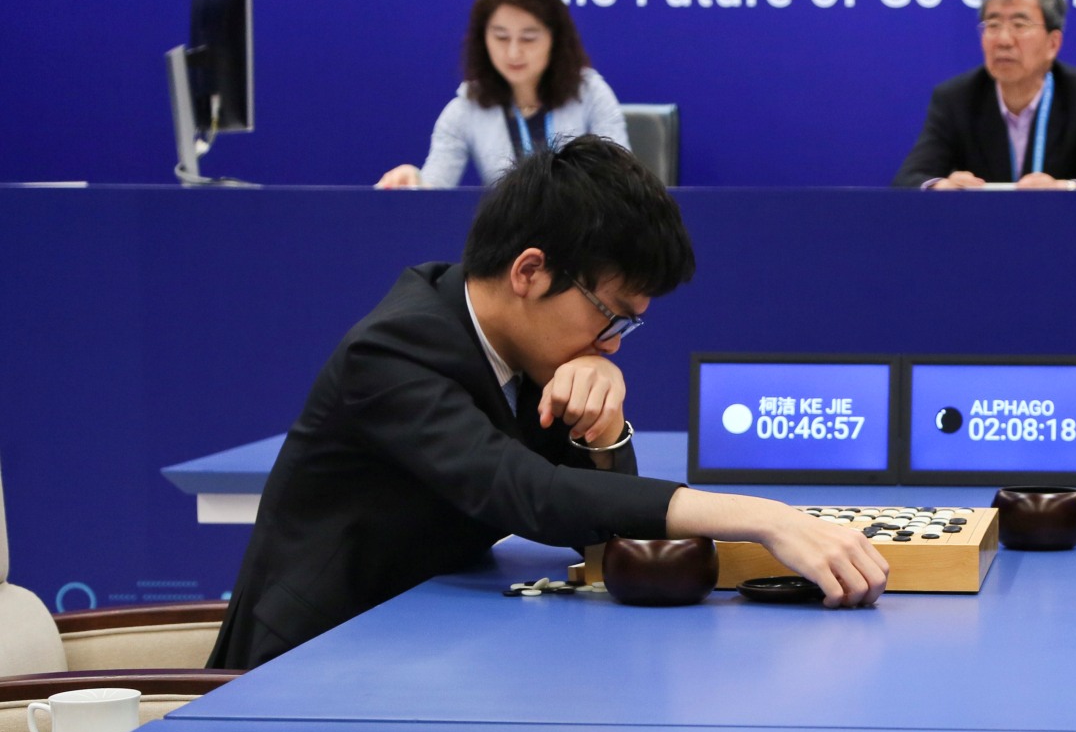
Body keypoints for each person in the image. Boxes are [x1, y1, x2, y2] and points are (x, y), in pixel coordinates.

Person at [211, 136, 885, 670]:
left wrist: (604, 430)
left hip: (421, 645)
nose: (612, 343)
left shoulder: (532, 346)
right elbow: (532, 495)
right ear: (529, 272)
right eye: (609, 315)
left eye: (627, 327)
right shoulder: (393, 352)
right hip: (305, 668)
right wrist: (764, 519)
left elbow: (592, 530)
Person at [377, 0, 629, 190]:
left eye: (528, 38)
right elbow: (434, 191)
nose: (513, 52)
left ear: (555, 38)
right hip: (505, 229)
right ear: (483, 38)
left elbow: (621, 182)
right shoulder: (466, 108)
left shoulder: (590, 93)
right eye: (501, 37)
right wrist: (414, 183)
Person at [893, 0, 1076, 190]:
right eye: (993, 25)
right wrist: (940, 186)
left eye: (1019, 25)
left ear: (1053, 44)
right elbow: (908, 180)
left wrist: (1065, 188)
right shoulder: (955, 99)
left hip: (1061, 224)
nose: (1004, 40)